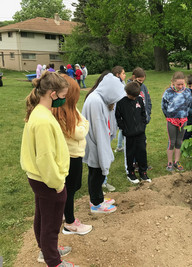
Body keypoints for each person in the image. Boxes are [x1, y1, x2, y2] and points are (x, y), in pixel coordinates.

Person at [20, 72, 78, 266]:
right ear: (52, 94)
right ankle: (53, 260)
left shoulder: (40, 112)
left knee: (43, 216)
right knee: (51, 222)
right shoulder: (43, 120)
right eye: (62, 96)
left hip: (39, 177)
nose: (63, 100)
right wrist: (57, 184)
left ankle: (46, 250)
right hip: (48, 179)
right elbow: (45, 158)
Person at [52, 75, 92, 235]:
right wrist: (84, 124)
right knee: (70, 189)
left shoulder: (71, 109)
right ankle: (70, 222)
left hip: (76, 154)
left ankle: (64, 213)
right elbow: (80, 131)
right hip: (70, 156)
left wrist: (83, 123)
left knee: (75, 187)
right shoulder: (61, 114)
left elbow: (82, 121)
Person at [82, 72, 126, 213]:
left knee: (96, 172)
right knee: (96, 173)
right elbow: (99, 129)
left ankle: (98, 198)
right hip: (96, 143)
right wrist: (103, 151)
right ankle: (96, 204)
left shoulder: (98, 98)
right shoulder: (95, 101)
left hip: (96, 142)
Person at [115, 82, 150, 183]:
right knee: (130, 154)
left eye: (136, 96)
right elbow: (118, 117)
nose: (134, 98)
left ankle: (143, 172)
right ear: (127, 93)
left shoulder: (139, 100)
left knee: (142, 152)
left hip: (140, 133)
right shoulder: (121, 103)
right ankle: (131, 173)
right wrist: (124, 128)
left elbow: (143, 113)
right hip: (129, 134)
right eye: (132, 96)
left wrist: (143, 125)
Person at [161, 71, 192, 171]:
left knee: (179, 141)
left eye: (182, 84)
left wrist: (183, 115)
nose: (180, 86)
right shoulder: (168, 92)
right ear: (173, 82)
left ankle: (176, 162)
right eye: (178, 84)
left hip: (183, 120)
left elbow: (188, 105)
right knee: (172, 141)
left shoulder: (187, 92)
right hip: (171, 120)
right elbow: (164, 106)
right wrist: (170, 116)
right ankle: (169, 163)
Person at [112, 65, 126, 153]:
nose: (125, 75)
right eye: (123, 73)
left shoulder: (122, 83)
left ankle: (119, 146)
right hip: (117, 110)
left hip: (121, 109)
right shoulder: (116, 84)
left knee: (122, 128)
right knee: (115, 129)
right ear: (117, 75)